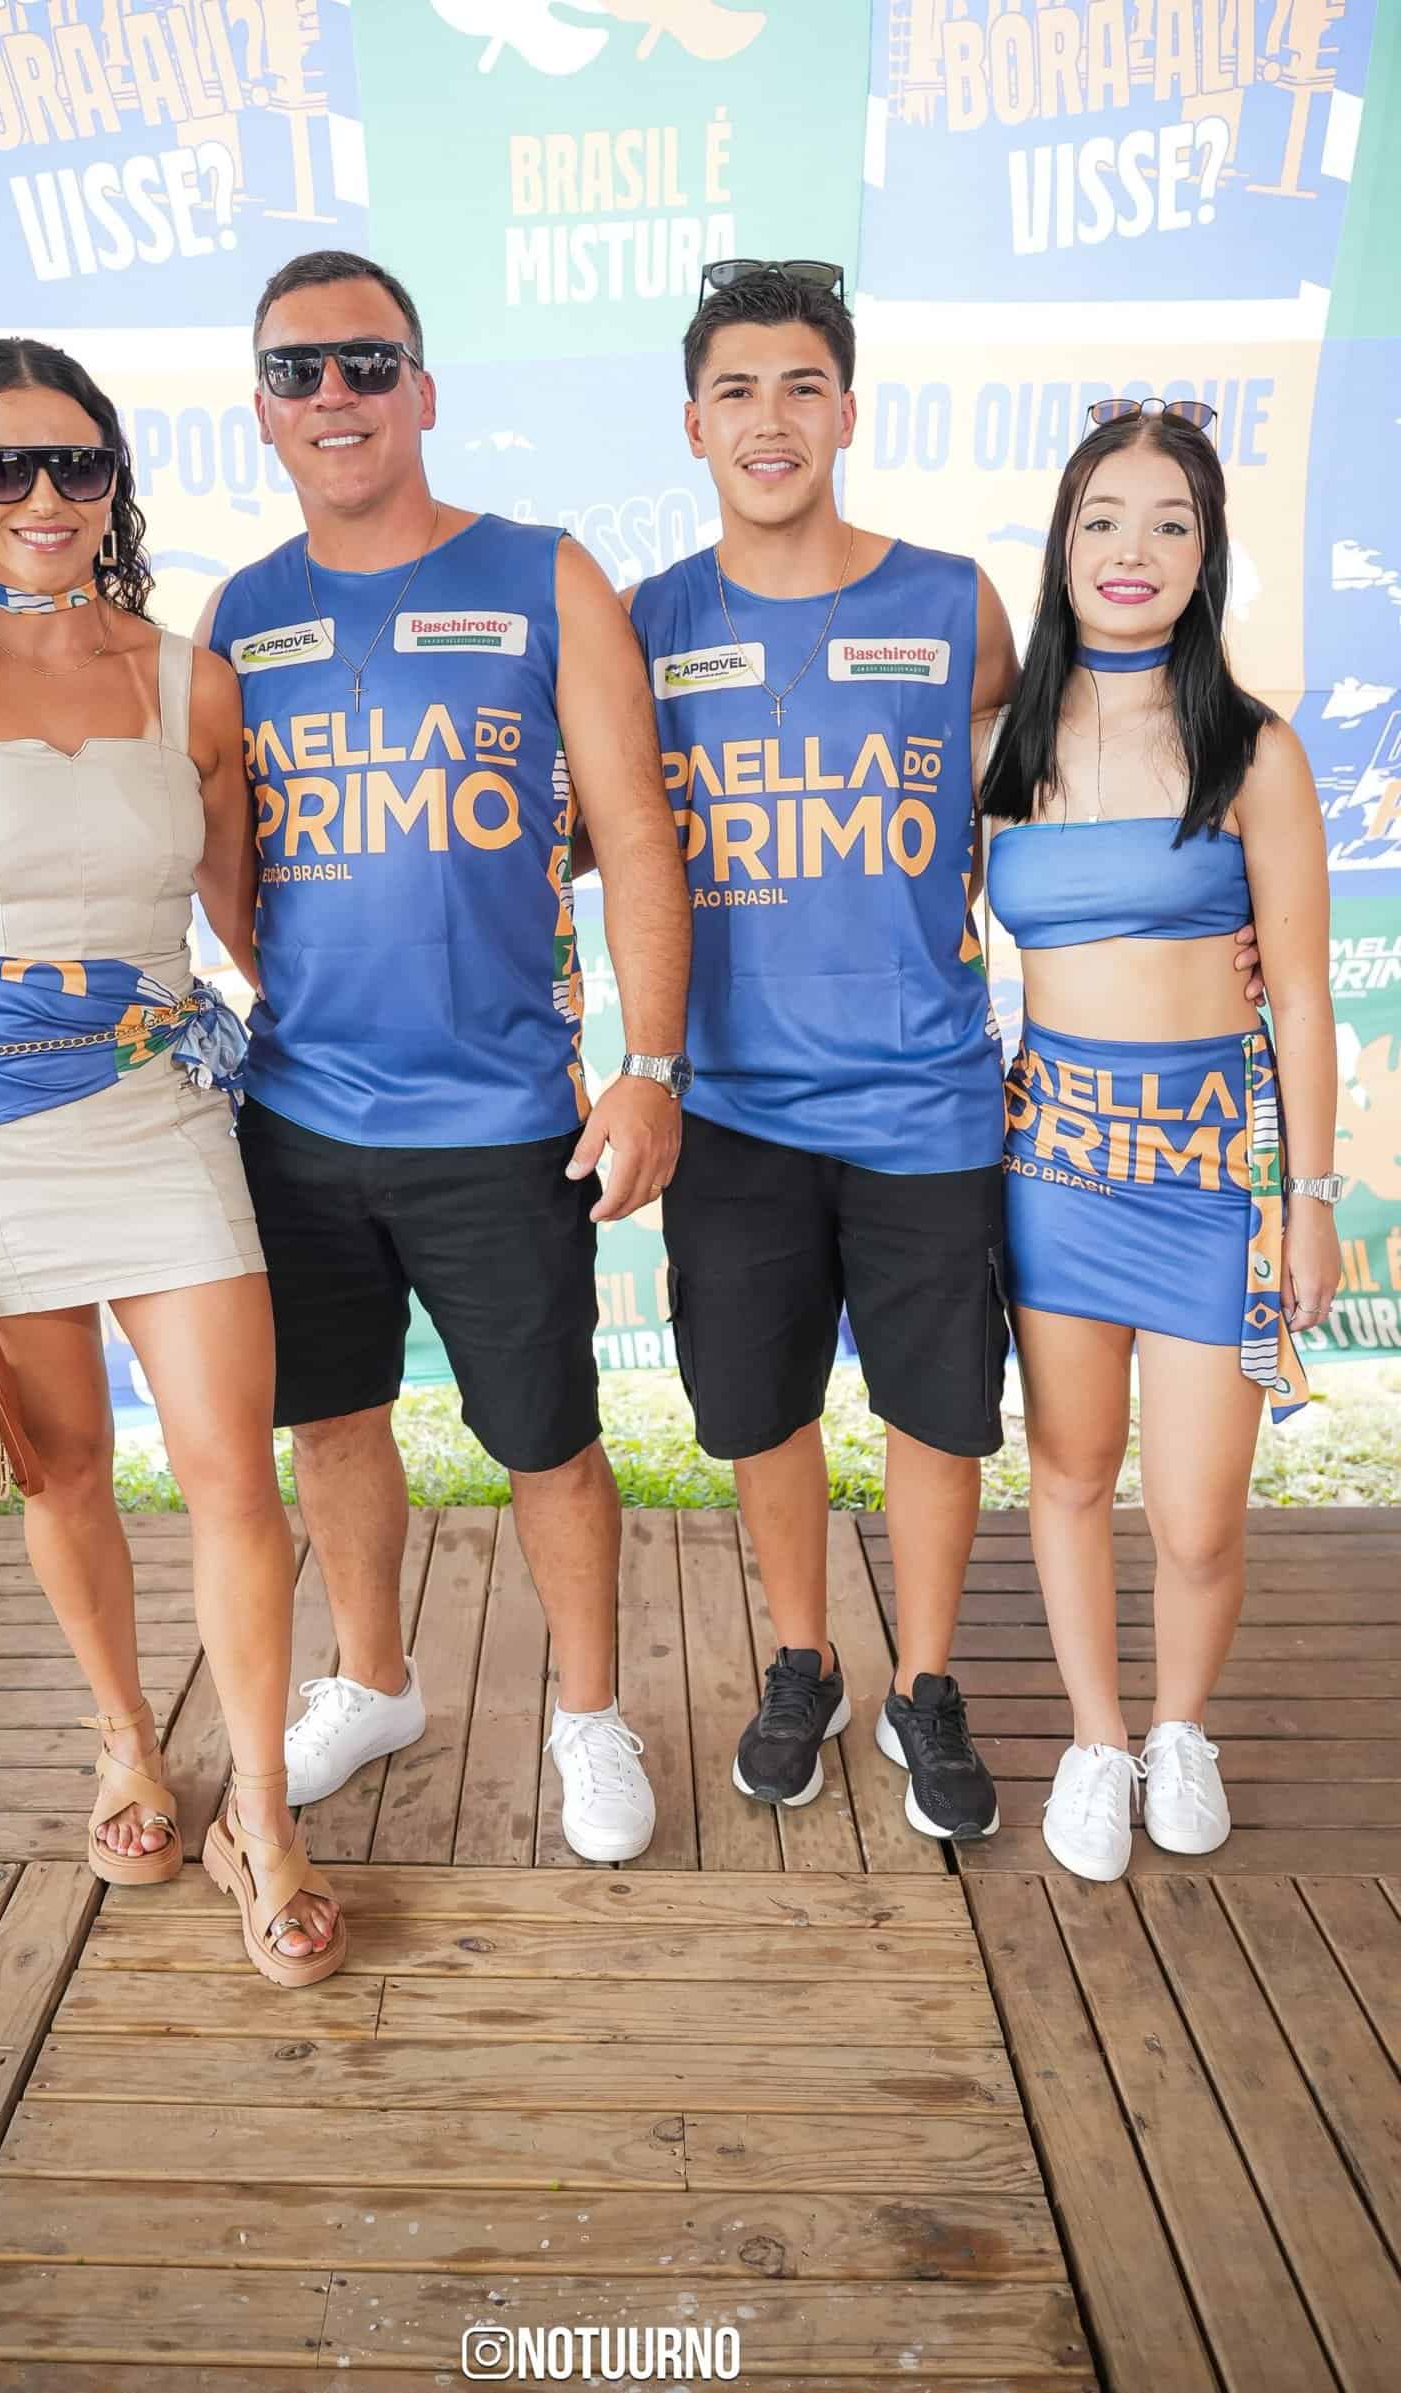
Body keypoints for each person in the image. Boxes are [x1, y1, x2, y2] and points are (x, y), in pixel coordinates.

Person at [0, 338, 342, 1987]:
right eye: (5, 466)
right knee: (64, 1472)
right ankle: (127, 1738)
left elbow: (254, 917)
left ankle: (265, 1814)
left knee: (234, 1475)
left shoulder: (192, 679)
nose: (45, 496)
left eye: (77, 463)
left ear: (115, 479)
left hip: (160, 1109)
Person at [196, 252, 692, 1863]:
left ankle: (588, 1714)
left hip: (502, 1122)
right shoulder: (241, 615)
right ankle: (377, 1680)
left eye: (365, 362)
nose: (333, 394)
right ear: (263, 411)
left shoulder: (545, 575)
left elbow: (635, 833)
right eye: (298, 372)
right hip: (299, 1118)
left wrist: (651, 1066)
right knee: (333, 1420)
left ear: (421, 388)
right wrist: (324, 987)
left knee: (548, 1438)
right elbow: (226, 865)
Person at [614, 261, 1016, 1839]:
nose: (769, 419)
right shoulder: (649, 623)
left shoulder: (955, 605)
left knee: (937, 1414)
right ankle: (806, 1660)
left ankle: (927, 1681)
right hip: (731, 1112)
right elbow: (582, 841)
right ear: (692, 424)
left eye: (801, 387)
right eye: (737, 390)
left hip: (927, 1101)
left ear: (848, 411)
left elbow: (1049, 797)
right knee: (761, 1407)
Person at [982, 397, 1339, 1881]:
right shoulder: (999, 747)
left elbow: (1303, 991)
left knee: (1195, 1517)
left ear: (1207, 557)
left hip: (1212, 1178)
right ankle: (1096, 1736)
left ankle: (1181, 1727)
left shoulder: (1255, 751)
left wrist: (1311, 1199)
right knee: (1069, 1472)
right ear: (1064, 544)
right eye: (1105, 519)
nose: (1134, 549)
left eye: (1171, 523)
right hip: (1054, 1167)